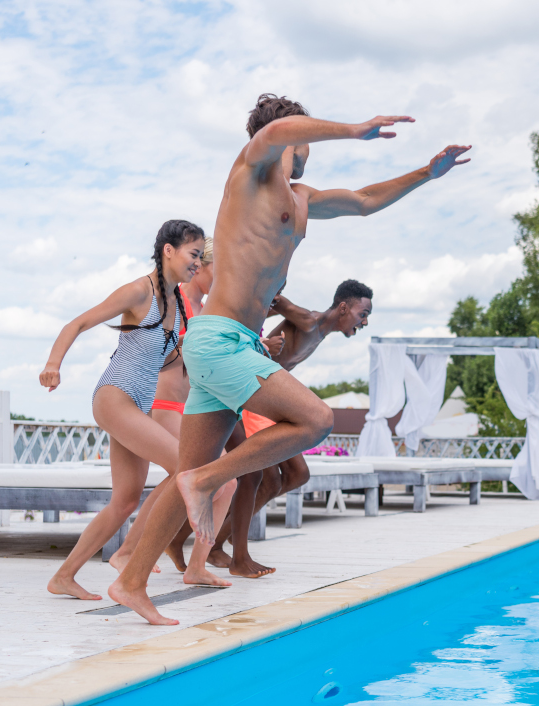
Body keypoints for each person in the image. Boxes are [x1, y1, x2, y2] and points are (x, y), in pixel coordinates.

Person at [109, 93, 471, 624]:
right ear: (291, 132)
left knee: (186, 470)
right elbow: (271, 137)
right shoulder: (250, 170)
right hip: (219, 338)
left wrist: (425, 173)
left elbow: (367, 200)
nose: (307, 147)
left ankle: (131, 582)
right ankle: (207, 483)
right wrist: (354, 129)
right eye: (301, 135)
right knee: (315, 420)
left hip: (234, 344)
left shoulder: (302, 197)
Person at [42, 220, 232, 600]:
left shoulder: (178, 305)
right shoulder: (137, 291)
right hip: (114, 396)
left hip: (138, 405)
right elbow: (77, 322)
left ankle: (64, 575)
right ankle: (134, 561)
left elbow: (166, 365)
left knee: (126, 500)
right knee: (184, 469)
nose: (197, 263)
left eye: (199, 257)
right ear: (169, 250)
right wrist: (53, 364)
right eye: (193, 255)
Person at [206, 279, 374, 576]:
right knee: (267, 477)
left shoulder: (319, 331)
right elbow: (274, 299)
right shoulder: (309, 321)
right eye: (363, 314)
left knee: (289, 477)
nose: (365, 321)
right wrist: (261, 340)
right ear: (344, 307)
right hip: (254, 397)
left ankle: (222, 540)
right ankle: (228, 548)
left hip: (269, 402)